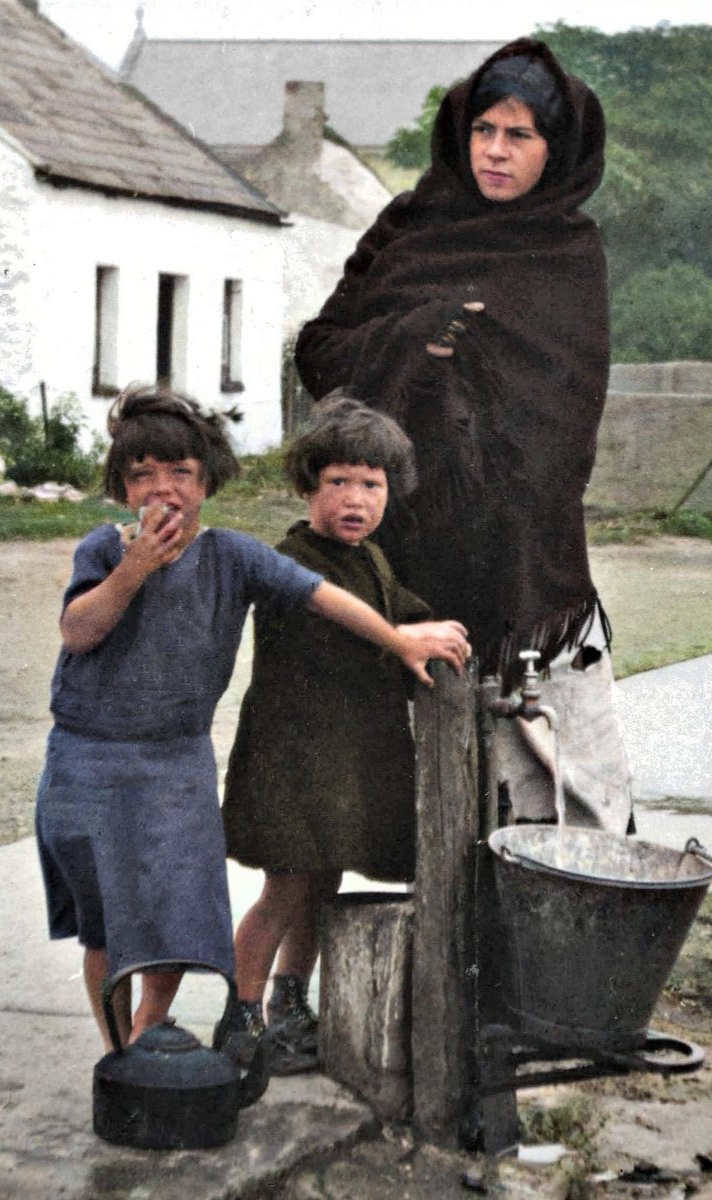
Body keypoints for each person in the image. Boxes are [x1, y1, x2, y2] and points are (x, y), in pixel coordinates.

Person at [35, 385, 470, 1051]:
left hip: (178, 758)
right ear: (123, 489)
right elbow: (77, 632)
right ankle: (120, 1055)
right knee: (108, 925)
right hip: (91, 759)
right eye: (143, 474)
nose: (164, 489)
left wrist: (403, 637)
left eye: (180, 472)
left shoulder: (233, 555)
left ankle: (152, 1034)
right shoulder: (103, 548)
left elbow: (323, 596)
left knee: (178, 918)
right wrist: (133, 569)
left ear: (206, 481)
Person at [295, 38, 633, 833]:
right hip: (403, 545)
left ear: (556, 148)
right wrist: (415, 339)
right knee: (418, 787)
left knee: (545, 777)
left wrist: (481, 374)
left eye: (519, 135)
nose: (494, 151)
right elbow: (319, 348)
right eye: (483, 129)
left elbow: (567, 403)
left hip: (520, 558)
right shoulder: (410, 225)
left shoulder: (566, 250)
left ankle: (556, 916)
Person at [220, 394, 471, 1072]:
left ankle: (290, 1002)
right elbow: (335, 638)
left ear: (390, 493)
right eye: (336, 483)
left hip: (342, 757)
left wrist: (429, 628)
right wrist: (401, 639)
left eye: (371, 484)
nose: (353, 499)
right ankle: (239, 1015)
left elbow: (396, 611)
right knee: (285, 888)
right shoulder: (293, 561)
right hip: (294, 755)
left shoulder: (370, 560)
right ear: (306, 487)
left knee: (321, 886)